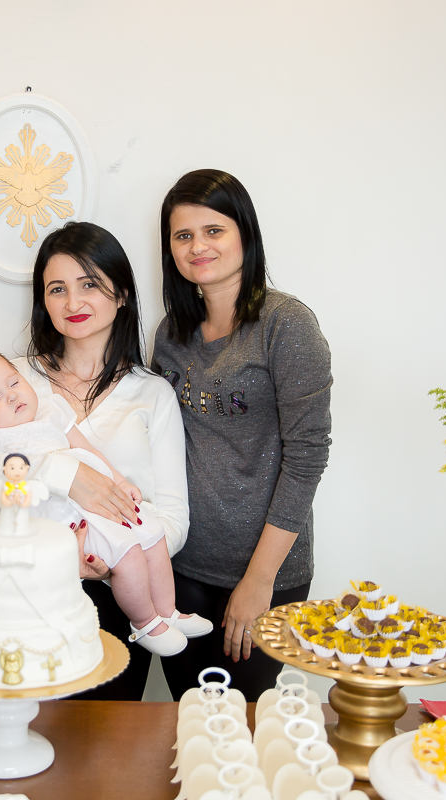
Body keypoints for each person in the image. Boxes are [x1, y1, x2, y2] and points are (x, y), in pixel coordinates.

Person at [0, 221, 191, 699]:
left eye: (90, 285)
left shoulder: (152, 393)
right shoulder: (13, 380)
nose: (73, 303)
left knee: (107, 750)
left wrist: (114, 552)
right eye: (57, 289)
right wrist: (65, 477)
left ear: (121, 293)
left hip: (126, 599)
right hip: (26, 594)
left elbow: (173, 515)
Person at [151, 169, 333, 699]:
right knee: (190, 719)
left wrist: (258, 582)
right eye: (183, 236)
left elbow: (307, 458)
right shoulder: (171, 334)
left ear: (244, 235)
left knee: (247, 730)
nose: (198, 247)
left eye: (214, 230)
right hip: (181, 566)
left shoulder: (286, 325)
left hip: (264, 572)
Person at [0, 348, 211, 655]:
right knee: (130, 553)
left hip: (96, 500)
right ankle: (146, 624)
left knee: (154, 533)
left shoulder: (52, 411)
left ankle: (167, 611)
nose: (12, 397)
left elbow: (89, 452)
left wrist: (120, 482)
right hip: (54, 516)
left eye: (14, 384)